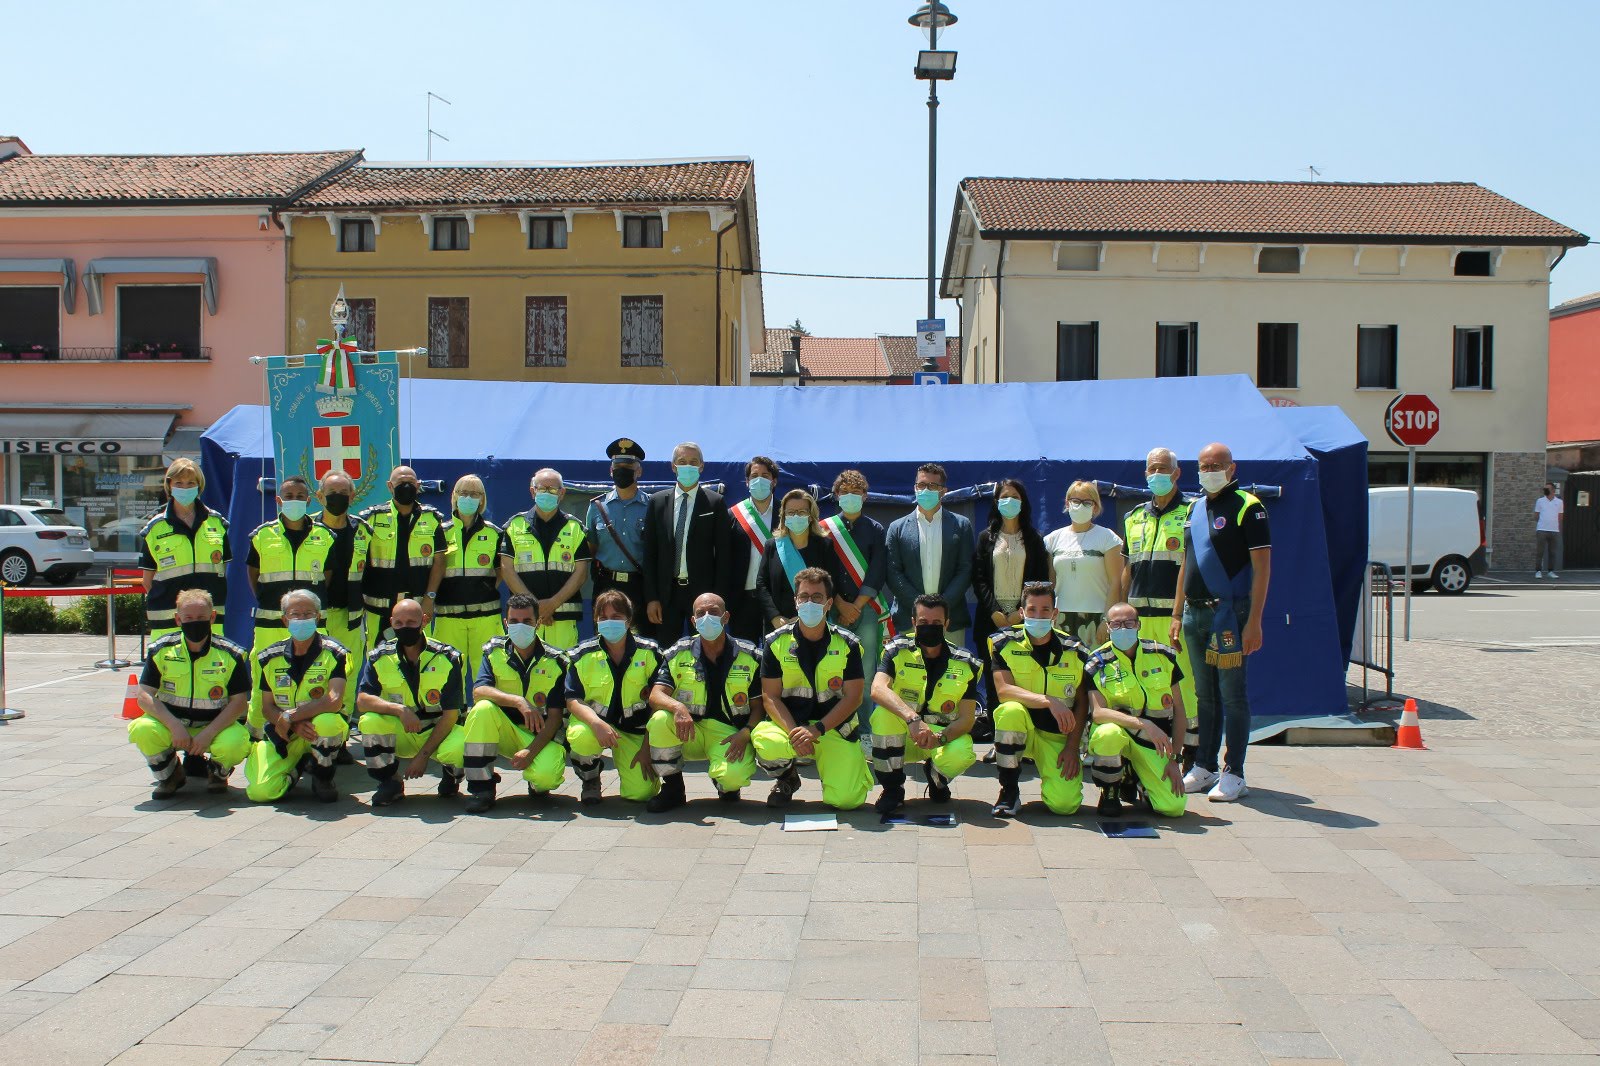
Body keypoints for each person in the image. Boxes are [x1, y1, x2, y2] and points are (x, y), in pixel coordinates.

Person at [1174, 442, 1271, 804]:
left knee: (1232, 695)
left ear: (1232, 468)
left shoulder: (1248, 506)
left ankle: (1235, 772)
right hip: (1194, 612)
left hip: (1230, 614)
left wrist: (1255, 621)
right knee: (1205, 695)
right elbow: (1187, 562)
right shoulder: (1195, 507)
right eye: (1204, 466)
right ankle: (1205, 765)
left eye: (1216, 465)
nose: (1209, 471)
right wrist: (1176, 612)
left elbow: (1262, 568)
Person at [751, 567, 872, 810]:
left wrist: (817, 730)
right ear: (795, 602)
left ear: (829, 603)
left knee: (847, 801)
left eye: (817, 597)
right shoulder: (775, 642)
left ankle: (841, 770)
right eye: (804, 597)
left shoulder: (848, 643)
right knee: (766, 741)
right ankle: (787, 778)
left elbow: (854, 698)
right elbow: (770, 697)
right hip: (791, 727)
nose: (809, 603)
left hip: (834, 729)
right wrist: (795, 733)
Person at [438, 594, 569, 814]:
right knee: (482, 708)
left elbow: (555, 719)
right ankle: (482, 789)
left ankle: (536, 783)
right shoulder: (493, 651)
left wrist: (530, 752)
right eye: (514, 621)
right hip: (502, 731)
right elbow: (479, 691)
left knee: (547, 777)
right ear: (506, 622)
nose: (520, 626)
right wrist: (518, 701)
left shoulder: (556, 660)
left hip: (538, 735)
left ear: (538, 623)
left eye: (527, 621)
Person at [645, 592, 761, 812]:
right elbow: (656, 695)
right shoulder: (678, 653)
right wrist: (677, 707)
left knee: (733, 778)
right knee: (660, 719)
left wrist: (746, 732)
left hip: (728, 734)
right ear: (693, 620)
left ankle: (724, 783)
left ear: (726, 617)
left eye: (714, 612)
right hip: (690, 729)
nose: (707, 617)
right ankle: (673, 788)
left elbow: (759, 706)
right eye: (701, 613)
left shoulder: (750, 655)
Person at [129, 588, 250, 799]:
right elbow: (144, 695)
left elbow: (239, 702)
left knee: (237, 741)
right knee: (142, 729)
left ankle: (217, 773)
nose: (195, 622)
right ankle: (170, 775)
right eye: (189, 618)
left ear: (212, 617)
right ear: (178, 619)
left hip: (214, 726)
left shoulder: (231, 654)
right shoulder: (161, 650)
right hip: (172, 724)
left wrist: (208, 733)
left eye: (201, 618)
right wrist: (174, 725)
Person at [1120, 448, 1198, 766]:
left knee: (1184, 684)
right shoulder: (1134, 516)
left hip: (1174, 618)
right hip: (1139, 618)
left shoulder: (1193, 511)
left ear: (1177, 473)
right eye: (1152, 469)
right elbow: (1128, 567)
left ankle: (1192, 752)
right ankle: (1149, 748)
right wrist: (1120, 610)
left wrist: (1179, 613)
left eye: (1163, 469)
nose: (1156, 475)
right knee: (1147, 682)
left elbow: (1192, 565)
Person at [869, 594, 982, 816]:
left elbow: (967, 718)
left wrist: (939, 739)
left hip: (940, 736)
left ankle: (937, 777)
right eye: (923, 622)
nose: (929, 627)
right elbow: (877, 689)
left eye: (936, 623)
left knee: (963, 752)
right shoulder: (896, 649)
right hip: (905, 732)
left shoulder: (965, 661)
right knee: (883, 714)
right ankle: (892, 789)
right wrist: (912, 719)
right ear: (913, 622)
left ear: (946, 624)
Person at [988, 582, 1091, 818]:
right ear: (1021, 612)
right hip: (1021, 727)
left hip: (1057, 735)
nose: (1038, 616)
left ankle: (1054, 785)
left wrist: (1072, 747)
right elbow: (1004, 691)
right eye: (1032, 610)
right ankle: (1009, 791)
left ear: (1055, 613)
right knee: (1009, 711)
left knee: (1065, 806)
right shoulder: (1004, 642)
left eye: (1045, 610)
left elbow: (1082, 702)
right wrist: (1048, 700)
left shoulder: (1075, 649)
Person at [245, 475, 338, 734]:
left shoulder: (325, 536)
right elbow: (253, 573)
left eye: (299, 497)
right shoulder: (262, 535)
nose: (294, 501)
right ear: (278, 500)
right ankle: (259, 734)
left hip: (310, 623)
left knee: (314, 678)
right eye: (288, 496)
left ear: (308, 501)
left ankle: (311, 736)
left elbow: (327, 576)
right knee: (263, 678)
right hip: (270, 622)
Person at [355, 597, 466, 807]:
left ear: (424, 621)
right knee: (369, 721)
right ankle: (389, 781)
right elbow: (363, 700)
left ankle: (452, 774)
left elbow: (451, 715)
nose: (404, 627)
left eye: (411, 622)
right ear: (391, 623)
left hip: (439, 730)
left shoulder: (447, 657)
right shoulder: (380, 656)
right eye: (398, 623)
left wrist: (423, 756)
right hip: (404, 729)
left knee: (462, 746)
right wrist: (399, 709)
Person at [242, 589, 351, 803]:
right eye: (295, 614)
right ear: (285, 620)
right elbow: (267, 707)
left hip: (317, 728)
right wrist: (292, 724)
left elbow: (334, 700)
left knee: (328, 723)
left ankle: (322, 776)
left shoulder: (336, 652)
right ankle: (296, 769)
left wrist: (291, 716)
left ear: (318, 617)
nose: (302, 619)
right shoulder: (269, 657)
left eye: (308, 614)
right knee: (260, 793)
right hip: (285, 732)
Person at [1083, 602, 1187, 818]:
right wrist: (1144, 724)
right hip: (1118, 734)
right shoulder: (1097, 662)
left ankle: (1137, 780)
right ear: (1108, 627)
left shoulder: (1162, 655)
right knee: (1107, 733)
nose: (1123, 629)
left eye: (1129, 623)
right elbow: (1099, 713)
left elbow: (1179, 711)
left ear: (1139, 625)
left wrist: (1174, 760)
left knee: (1173, 807)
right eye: (1116, 624)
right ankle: (1110, 790)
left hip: (1153, 743)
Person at [564, 590, 665, 805]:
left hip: (635, 730)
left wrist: (646, 748)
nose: (609, 622)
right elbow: (572, 699)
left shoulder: (650, 653)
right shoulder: (581, 655)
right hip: (596, 724)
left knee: (641, 794)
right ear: (595, 620)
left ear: (628, 620)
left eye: (616, 617)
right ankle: (590, 778)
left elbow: (659, 702)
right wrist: (596, 723)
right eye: (603, 617)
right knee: (581, 736)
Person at [818, 470, 890, 736]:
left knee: (867, 671)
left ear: (865, 496)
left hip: (866, 609)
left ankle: (865, 730)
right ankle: (834, 727)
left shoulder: (875, 529)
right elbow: (822, 571)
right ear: (836, 495)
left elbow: (878, 570)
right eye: (844, 492)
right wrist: (839, 603)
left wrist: (856, 606)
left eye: (856, 492)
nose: (850, 496)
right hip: (832, 608)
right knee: (832, 668)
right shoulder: (824, 529)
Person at [971, 479, 1052, 715]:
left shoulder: (1034, 539)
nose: (1010, 501)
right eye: (1005, 497)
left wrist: (1020, 612)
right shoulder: (986, 537)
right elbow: (979, 579)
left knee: (1023, 677)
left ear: (1023, 502)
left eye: (1015, 497)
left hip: (1024, 618)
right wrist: (994, 611)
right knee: (994, 679)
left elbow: (1039, 580)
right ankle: (996, 732)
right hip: (990, 619)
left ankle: (1025, 728)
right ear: (996, 502)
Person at [643, 442, 731, 643]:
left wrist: (718, 599)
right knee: (667, 651)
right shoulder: (657, 502)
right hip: (667, 594)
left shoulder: (715, 502)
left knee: (704, 648)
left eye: (693, 462)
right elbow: (650, 553)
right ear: (673, 466)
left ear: (701, 466)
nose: (687, 466)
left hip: (703, 595)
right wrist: (652, 598)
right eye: (682, 462)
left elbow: (724, 556)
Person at [357, 466, 448, 657]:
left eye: (410, 483)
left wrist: (429, 598)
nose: (406, 486)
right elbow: (358, 562)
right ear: (390, 486)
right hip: (379, 608)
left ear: (418, 485)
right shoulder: (371, 518)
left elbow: (439, 562)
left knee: (422, 659)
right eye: (400, 483)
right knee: (378, 661)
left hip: (418, 607)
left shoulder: (432, 518)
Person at [886, 462, 976, 646]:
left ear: (943, 491)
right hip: (909, 619)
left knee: (953, 665)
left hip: (950, 620)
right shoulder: (897, 528)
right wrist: (919, 607)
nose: (925, 490)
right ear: (915, 488)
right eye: (921, 485)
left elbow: (965, 569)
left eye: (932, 486)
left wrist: (941, 606)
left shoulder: (962, 525)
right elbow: (893, 572)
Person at [140, 458, 229, 640]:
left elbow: (224, 570)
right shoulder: (155, 528)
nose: (185, 488)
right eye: (179, 483)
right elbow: (147, 581)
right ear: (169, 485)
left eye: (190, 483)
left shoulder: (217, 523)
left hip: (209, 618)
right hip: (168, 618)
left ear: (199, 486)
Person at [502, 468, 590, 651]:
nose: (547, 493)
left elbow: (581, 573)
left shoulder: (575, 528)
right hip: (524, 619)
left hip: (563, 618)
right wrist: (535, 607)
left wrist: (552, 604)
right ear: (532, 491)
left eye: (552, 489)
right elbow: (506, 570)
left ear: (562, 493)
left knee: (564, 666)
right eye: (542, 489)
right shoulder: (514, 526)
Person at [432, 474, 505, 678]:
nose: (468, 498)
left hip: (486, 617)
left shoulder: (494, 533)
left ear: (482, 499)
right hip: (448, 616)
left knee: (489, 673)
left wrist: (485, 588)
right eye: (463, 493)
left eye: (474, 494)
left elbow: (501, 569)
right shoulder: (440, 531)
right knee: (448, 675)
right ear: (454, 496)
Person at [314, 470, 371, 717]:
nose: (337, 497)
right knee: (315, 674)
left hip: (351, 616)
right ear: (320, 496)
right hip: (315, 618)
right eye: (331, 492)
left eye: (343, 492)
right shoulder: (308, 528)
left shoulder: (363, 530)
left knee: (348, 672)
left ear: (352, 496)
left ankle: (342, 728)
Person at [1043, 480, 1124, 647]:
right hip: (1061, 618)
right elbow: (1051, 584)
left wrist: (1107, 620)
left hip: (1097, 618)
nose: (1081, 506)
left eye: (1087, 502)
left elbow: (1116, 583)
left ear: (1095, 507)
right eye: (1076, 501)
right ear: (1067, 504)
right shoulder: (1052, 539)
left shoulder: (1108, 538)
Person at [756, 489, 841, 630]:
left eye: (802, 512)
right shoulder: (772, 545)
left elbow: (832, 584)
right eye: (790, 512)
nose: (796, 516)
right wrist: (775, 616)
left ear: (810, 516)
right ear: (784, 516)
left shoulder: (824, 545)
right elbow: (761, 584)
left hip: (814, 621)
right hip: (778, 625)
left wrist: (805, 617)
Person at [585, 438, 650, 613]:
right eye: (617, 466)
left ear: (639, 471)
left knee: (640, 631)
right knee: (606, 630)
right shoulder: (597, 507)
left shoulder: (652, 506)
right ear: (611, 470)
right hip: (605, 585)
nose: (622, 470)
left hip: (639, 586)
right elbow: (591, 550)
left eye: (628, 466)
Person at [726, 456, 780, 644]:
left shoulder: (786, 512)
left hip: (777, 600)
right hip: (742, 600)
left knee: (776, 654)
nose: (759, 480)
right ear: (747, 482)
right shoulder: (733, 514)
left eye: (765, 476)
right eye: (754, 476)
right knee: (744, 655)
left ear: (774, 481)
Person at [1535, 482, 1564, 579]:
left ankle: (1551, 571)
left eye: (1547, 488)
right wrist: (1542, 523)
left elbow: (1560, 516)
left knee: (1552, 552)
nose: (1545, 490)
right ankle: (1538, 571)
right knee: (1540, 551)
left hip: (1554, 530)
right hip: (1542, 529)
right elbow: (1536, 515)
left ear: (1553, 490)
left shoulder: (1559, 502)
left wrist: (1554, 525)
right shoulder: (1540, 501)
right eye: (1545, 488)